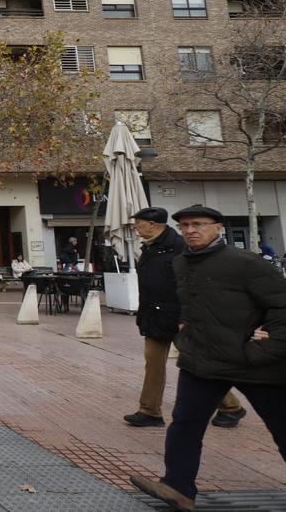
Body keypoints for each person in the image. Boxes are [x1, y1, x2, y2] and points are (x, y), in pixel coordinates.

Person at [130, 205, 286, 512]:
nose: (190, 230)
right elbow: (188, 304)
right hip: (202, 361)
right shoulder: (181, 263)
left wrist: (266, 348)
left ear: (218, 227)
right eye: (185, 225)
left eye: (198, 224)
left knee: (282, 427)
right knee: (185, 424)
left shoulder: (246, 263)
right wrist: (185, 333)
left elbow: (281, 306)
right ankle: (177, 487)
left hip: (255, 364)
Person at [123, 207, 245, 429]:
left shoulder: (180, 247)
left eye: (138, 223)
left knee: (199, 363)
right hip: (155, 316)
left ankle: (231, 406)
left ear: (153, 224)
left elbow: (192, 284)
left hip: (180, 318)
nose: (135, 227)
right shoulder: (150, 247)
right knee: (153, 364)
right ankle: (149, 411)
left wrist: (186, 316)